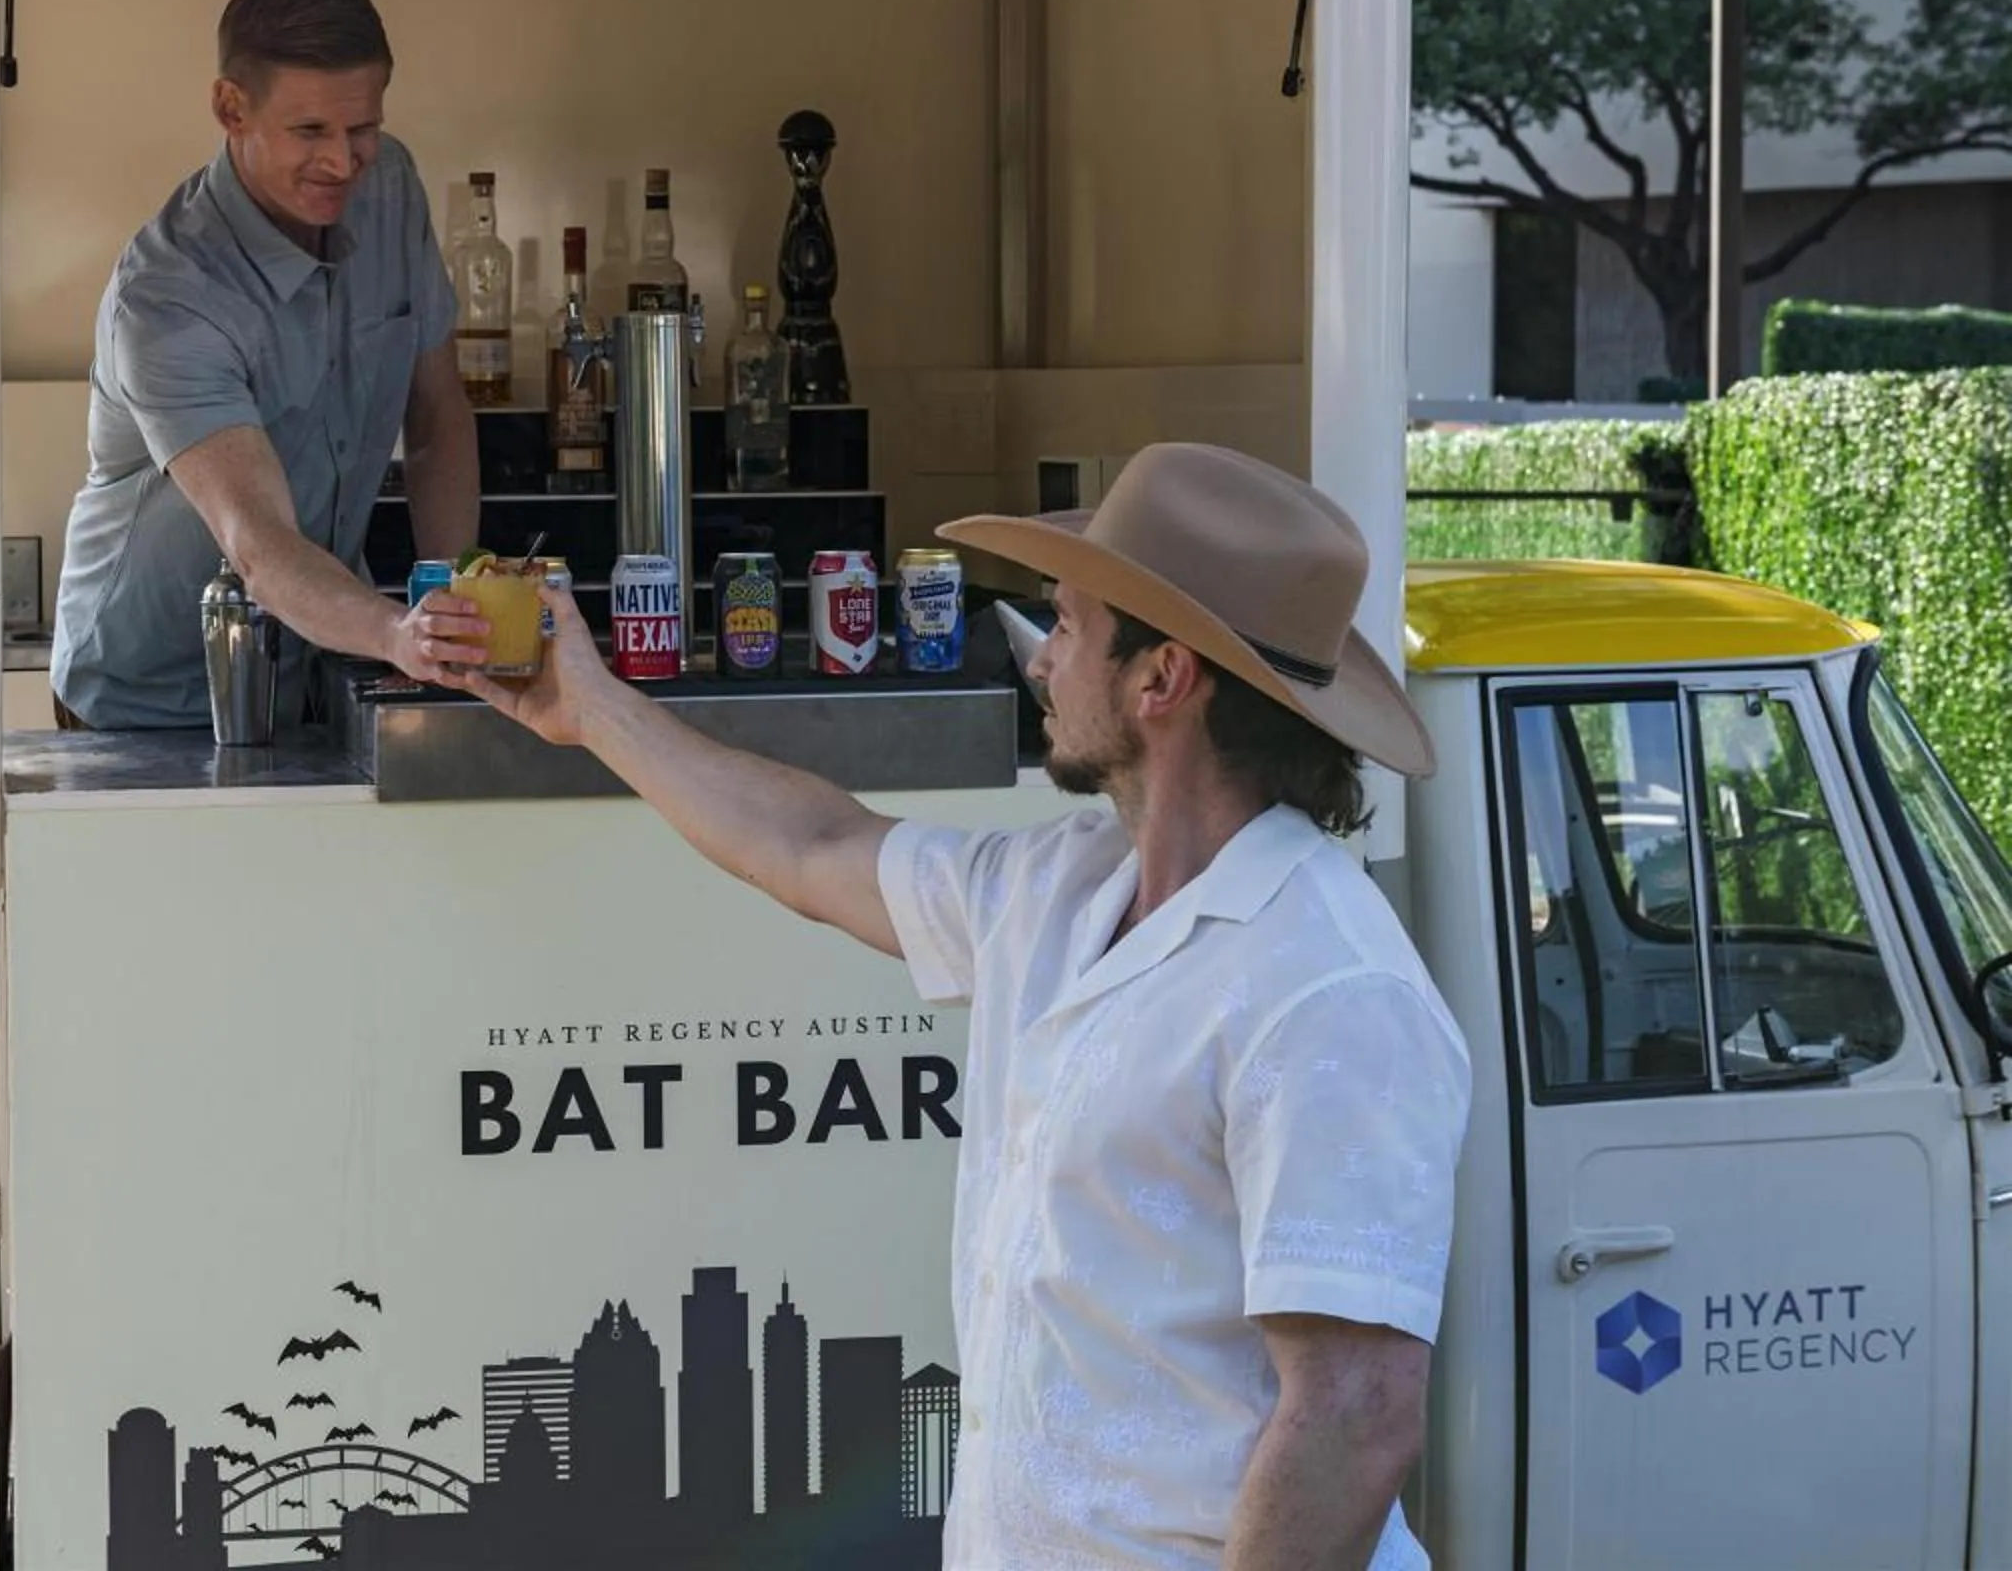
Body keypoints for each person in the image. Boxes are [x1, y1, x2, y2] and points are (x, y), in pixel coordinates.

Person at [468, 443, 1473, 1571]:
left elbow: (1354, 1415)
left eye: (1071, 625)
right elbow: (813, 844)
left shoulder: (1330, 986)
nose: (1044, 660)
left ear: (1161, 679)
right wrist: (592, 708)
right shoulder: (1063, 887)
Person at [51, 0, 490, 729]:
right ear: (232, 108)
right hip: (144, 699)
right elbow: (257, 544)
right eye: (310, 131)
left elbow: (436, 418)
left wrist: (449, 602)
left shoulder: (389, 187)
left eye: (363, 128)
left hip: (312, 673)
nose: (343, 162)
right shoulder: (167, 296)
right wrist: (398, 634)